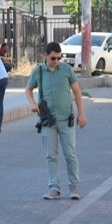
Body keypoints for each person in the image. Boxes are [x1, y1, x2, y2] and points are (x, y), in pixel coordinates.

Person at [25, 42, 87, 200]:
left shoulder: (66, 70)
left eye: (59, 58)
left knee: (70, 154)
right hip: (48, 121)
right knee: (51, 156)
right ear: (45, 56)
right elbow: (28, 89)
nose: (56, 61)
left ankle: (75, 188)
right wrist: (32, 103)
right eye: (53, 58)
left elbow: (77, 92)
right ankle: (53, 188)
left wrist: (81, 114)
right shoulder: (38, 71)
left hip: (66, 119)